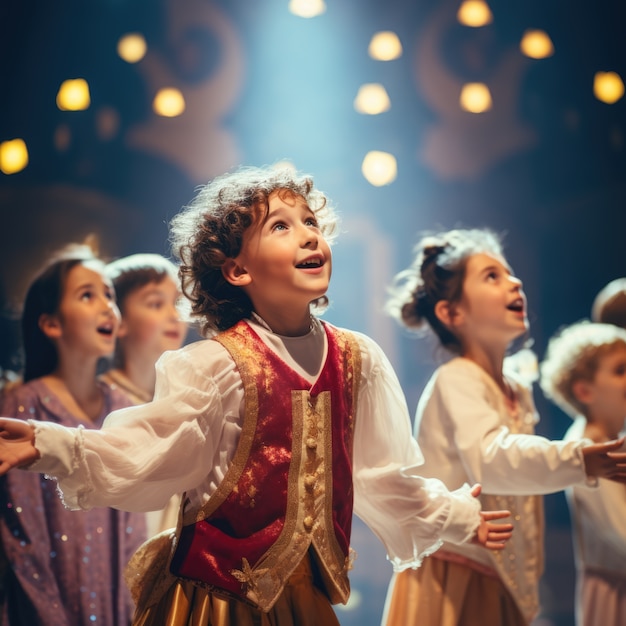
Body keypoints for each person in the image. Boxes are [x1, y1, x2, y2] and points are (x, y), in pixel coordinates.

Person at [0, 167, 513, 626]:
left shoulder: (358, 359)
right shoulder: (216, 366)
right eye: (281, 226)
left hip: (304, 602)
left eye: (311, 222)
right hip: (216, 602)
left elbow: (380, 478)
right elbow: (147, 452)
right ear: (237, 270)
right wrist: (54, 444)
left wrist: (454, 515)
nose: (308, 234)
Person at [381, 228, 626, 626]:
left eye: (511, 273)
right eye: (492, 276)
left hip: (502, 580)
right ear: (452, 313)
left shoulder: (515, 389)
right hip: (456, 573)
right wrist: (577, 457)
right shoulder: (457, 377)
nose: (514, 281)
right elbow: (491, 459)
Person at [0, 242, 147, 625]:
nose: (105, 307)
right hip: (47, 607)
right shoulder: (23, 406)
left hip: (118, 605)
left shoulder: (123, 405)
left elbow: (133, 522)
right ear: (51, 323)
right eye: (87, 295)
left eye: (109, 295)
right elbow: (23, 538)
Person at [540, 320, 626, 626]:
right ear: (584, 390)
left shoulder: (611, 439)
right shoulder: (588, 450)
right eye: (620, 370)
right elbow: (620, 530)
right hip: (615, 590)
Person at [101, 253, 189, 538]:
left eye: (177, 302)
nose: (174, 315)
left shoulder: (184, 400)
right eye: (155, 303)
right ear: (118, 320)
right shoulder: (98, 404)